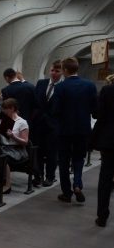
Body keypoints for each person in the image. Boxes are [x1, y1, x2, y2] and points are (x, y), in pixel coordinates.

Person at [52, 57, 97, 204]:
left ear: (65, 70)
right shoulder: (89, 85)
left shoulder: (60, 87)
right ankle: (77, 184)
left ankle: (66, 193)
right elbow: (95, 110)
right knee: (79, 159)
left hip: (64, 130)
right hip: (82, 129)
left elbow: (55, 110)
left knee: (64, 162)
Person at [32, 60, 63, 187]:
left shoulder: (63, 87)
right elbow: (35, 102)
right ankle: (38, 176)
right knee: (38, 152)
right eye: (52, 70)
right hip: (39, 124)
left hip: (54, 125)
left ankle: (50, 177)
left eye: (57, 71)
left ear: (62, 72)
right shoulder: (41, 83)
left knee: (52, 153)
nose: (54, 73)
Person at [92, 81, 114, 227]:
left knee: (105, 179)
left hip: (109, 141)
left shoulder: (107, 90)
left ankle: (102, 216)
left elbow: (98, 115)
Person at [0, 98, 29, 194]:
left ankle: (7, 185)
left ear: (12, 108)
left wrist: (13, 136)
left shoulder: (22, 122)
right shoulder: (4, 120)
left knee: (4, 157)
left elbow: (25, 142)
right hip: (4, 147)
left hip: (17, 149)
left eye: (5, 109)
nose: (3, 111)